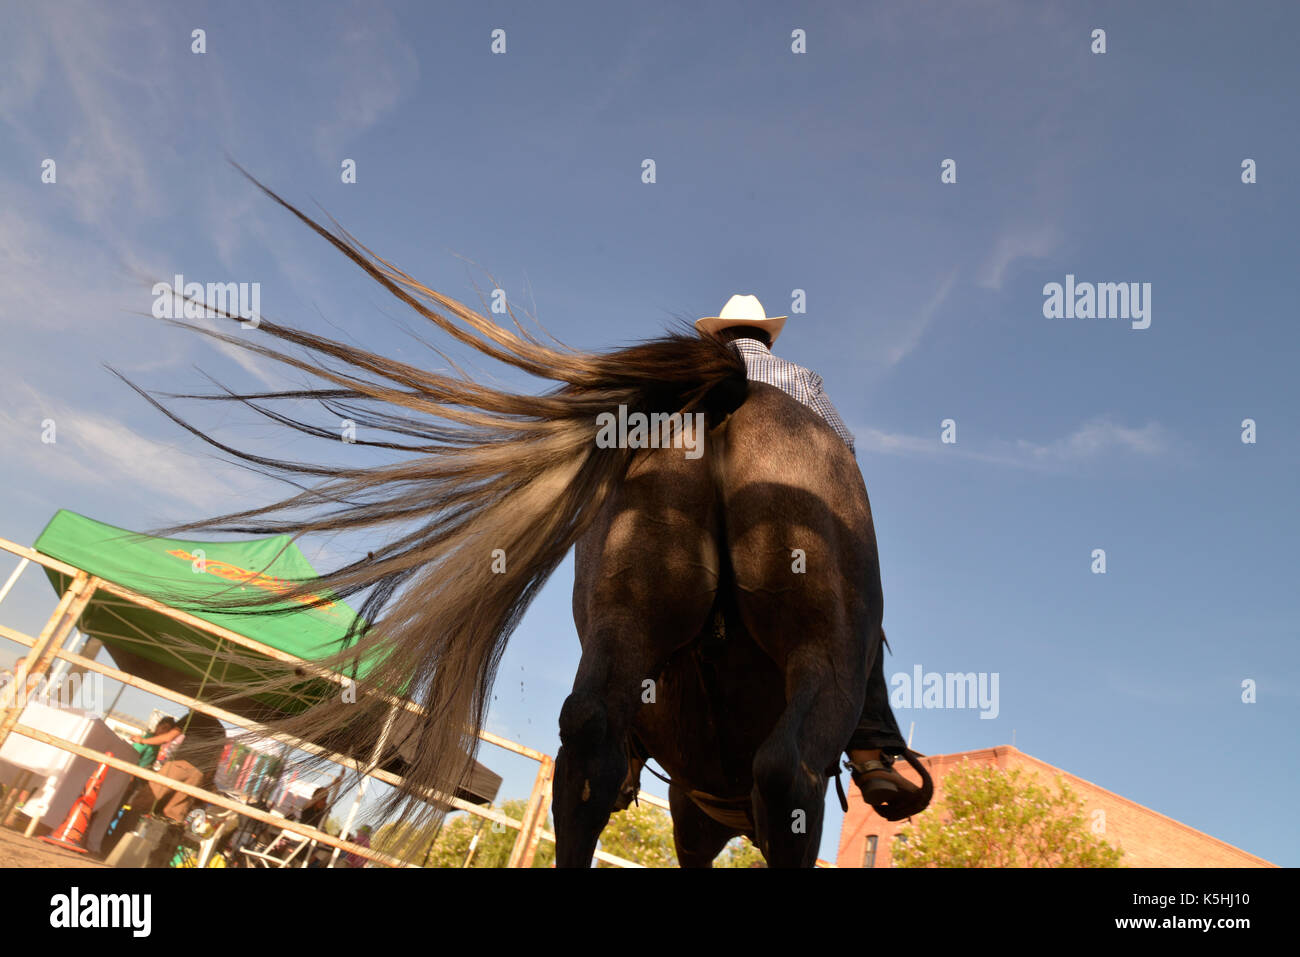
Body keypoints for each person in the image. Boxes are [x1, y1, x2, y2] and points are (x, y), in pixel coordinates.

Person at [695, 294, 930, 821]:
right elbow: (840, 446)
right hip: (789, 522)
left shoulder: (689, 374)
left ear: (718, 336)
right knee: (861, 611)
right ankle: (870, 753)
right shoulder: (799, 377)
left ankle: (624, 750)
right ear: (766, 338)